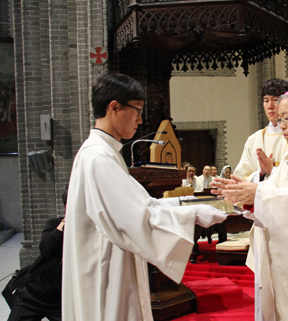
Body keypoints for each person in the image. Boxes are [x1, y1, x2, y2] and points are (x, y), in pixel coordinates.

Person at [62, 73, 227, 321]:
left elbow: (140, 203)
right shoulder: (98, 157)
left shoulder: (104, 152)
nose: (140, 120)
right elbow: (135, 218)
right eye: (137, 110)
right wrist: (191, 214)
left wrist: (185, 204)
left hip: (113, 263)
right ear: (114, 107)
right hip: (105, 272)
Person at [213, 84, 288, 320]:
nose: (280, 127)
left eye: (286, 118)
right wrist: (248, 194)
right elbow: (275, 188)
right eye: (279, 119)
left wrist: (257, 195)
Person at [7, 189, 68, 321]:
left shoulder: (90, 231)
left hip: (62, 301)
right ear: (66, 206)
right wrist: (64, 224)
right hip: (34, 295)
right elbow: (45, 249)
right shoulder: (54, 224)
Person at [233, 78, 288, 182]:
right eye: (266, 100)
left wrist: (272, 170)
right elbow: (240, 178)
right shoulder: (254, 140)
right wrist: (260, 173)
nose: (270, 106)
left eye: (275, 100)